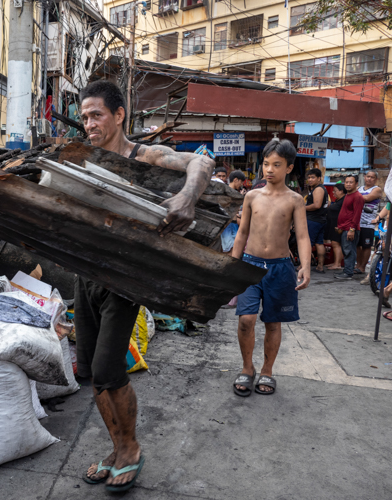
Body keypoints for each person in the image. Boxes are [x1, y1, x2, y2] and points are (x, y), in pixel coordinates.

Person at [78, 80, 213, 492]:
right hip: (86, 274)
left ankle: (131, 448)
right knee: (91, 374)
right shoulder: (83, 158)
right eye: (84, 117)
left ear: (119, 116)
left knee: (109, 370)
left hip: (125, 278)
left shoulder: (144, 155)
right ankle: (116, 448)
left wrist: (187, 198)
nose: (88, 124)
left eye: (96, 115)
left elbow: (201, 163)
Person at [231, 139, 311, 397]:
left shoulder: (295, 200)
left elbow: (301, 237)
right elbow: (242, 232)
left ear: (288, 168)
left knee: (273, 323)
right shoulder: (252, 196)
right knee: (246, 319)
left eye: (276, 165)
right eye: (266, 164)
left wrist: (306, 267)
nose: (269, 169)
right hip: (250, 265)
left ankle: (267, 370)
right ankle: (247, 367)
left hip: (280, 268)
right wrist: (232, 264)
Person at [335, 174, 365, 280]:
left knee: (349, 251)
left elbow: (357, 215)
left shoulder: (357, 197)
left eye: (351, 182)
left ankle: (348, 273)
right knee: (346, 250)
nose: (348, 184)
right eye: (346, 182)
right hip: (345, 227)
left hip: (350, 229)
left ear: (356, 184)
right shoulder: (348, 195)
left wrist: (352, 229)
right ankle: (347, 271)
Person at [355, 170, 382, 275]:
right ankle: (358, 265)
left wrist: (353, 197)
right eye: (368, 176)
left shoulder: (377, 189)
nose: (369, 179)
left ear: (376, 179)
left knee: (366, 245)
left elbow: (366, 198)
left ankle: (362, 267)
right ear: (364, 177)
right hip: (357, 222)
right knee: (357, 245)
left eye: (372, 177)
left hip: (368, 223)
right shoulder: (359, 188)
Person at [304, 168, 329, 273]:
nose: (310, 180)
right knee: (319, 243)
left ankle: (304, 266)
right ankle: (320, 266)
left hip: (314, 220)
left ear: (319, 178)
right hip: (320, 220)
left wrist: (302, 208)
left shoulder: (318, 189)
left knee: (307, 243)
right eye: (309, 177)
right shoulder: (318, 189)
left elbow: (317, 205)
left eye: (313, 177)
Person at [325, 183, 347, 270]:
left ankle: (337, 264)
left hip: (338, 225)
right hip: (333, 224)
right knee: (334, 243)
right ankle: (335, 262)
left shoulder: (344, 200)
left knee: (336, 243)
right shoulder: (338, 200)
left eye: (335, 191)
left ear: (341, 191)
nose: (333, 193)